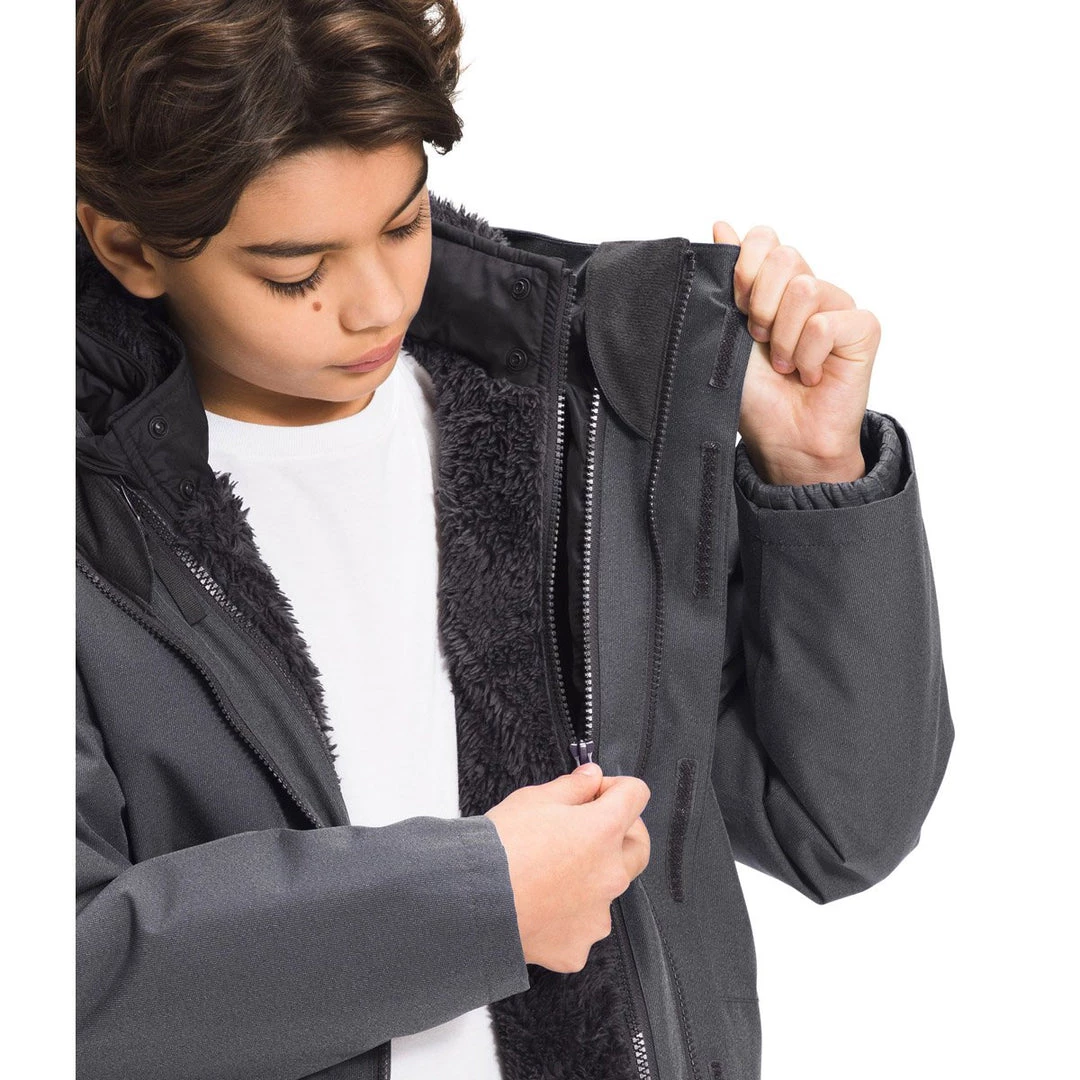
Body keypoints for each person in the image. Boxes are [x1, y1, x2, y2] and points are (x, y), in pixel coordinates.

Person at [75, 2, 955, 1079]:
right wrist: (480, 900)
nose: (376, 304)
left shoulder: (570, 425)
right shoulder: (74, 536)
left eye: (404, 224)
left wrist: (815, 475)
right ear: (127, 245)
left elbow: (838, 828)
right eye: (297, 271)